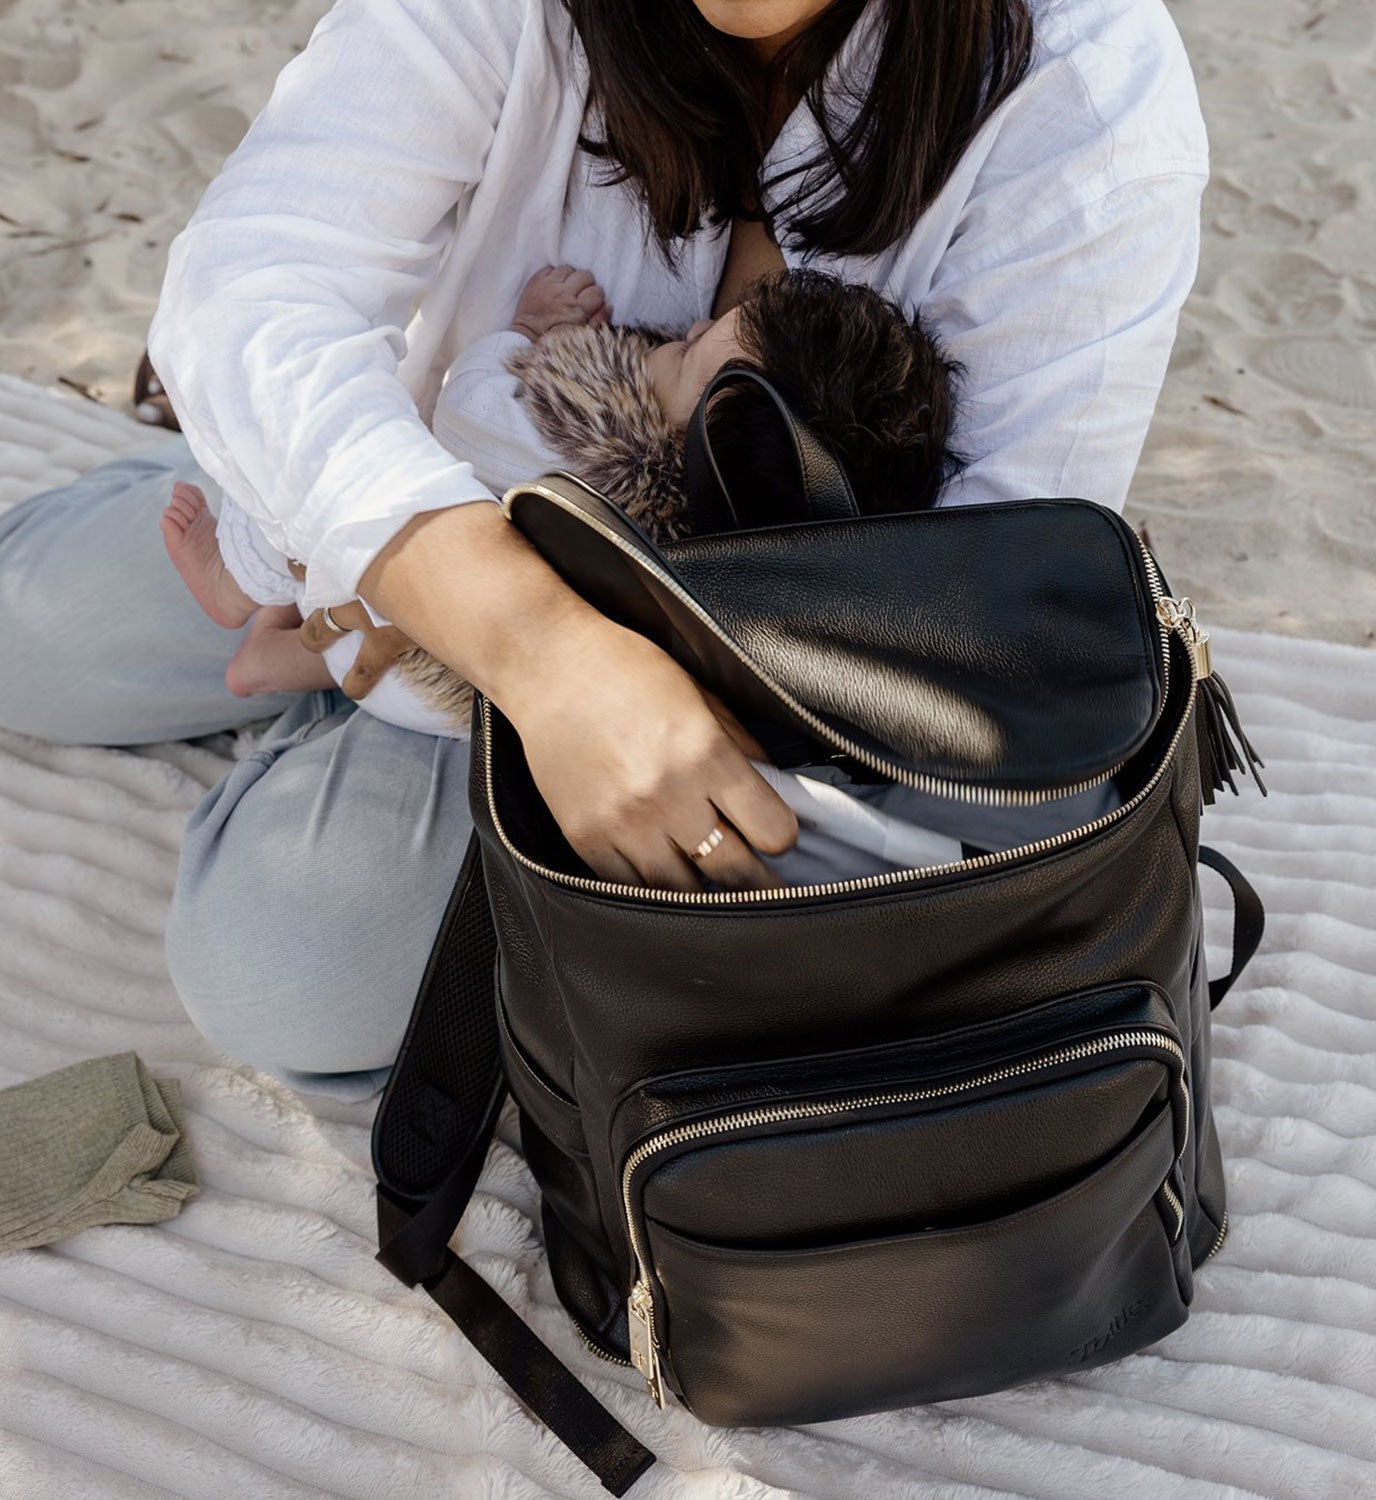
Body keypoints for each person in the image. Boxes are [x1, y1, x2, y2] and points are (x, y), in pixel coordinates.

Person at [0, 0, 1210, 1099]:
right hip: (434, 495)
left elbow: (980, 611)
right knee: (24, 634)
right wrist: (521, 638)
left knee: (286, 970)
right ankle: (309, 599)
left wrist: (577, 683)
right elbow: (256, 281)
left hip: (749, 690)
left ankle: (332, 681)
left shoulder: (1082, 74)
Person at [158, 262, 964, 736]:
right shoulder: (725, 559)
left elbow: (464, 401)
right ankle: (275, 665)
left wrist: (526, 332)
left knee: (302, 463)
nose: (681, 328)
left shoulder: (581, 440)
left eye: (684, 350)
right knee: (362, 640)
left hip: (413, 641)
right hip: (470, 715)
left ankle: (239, 586)